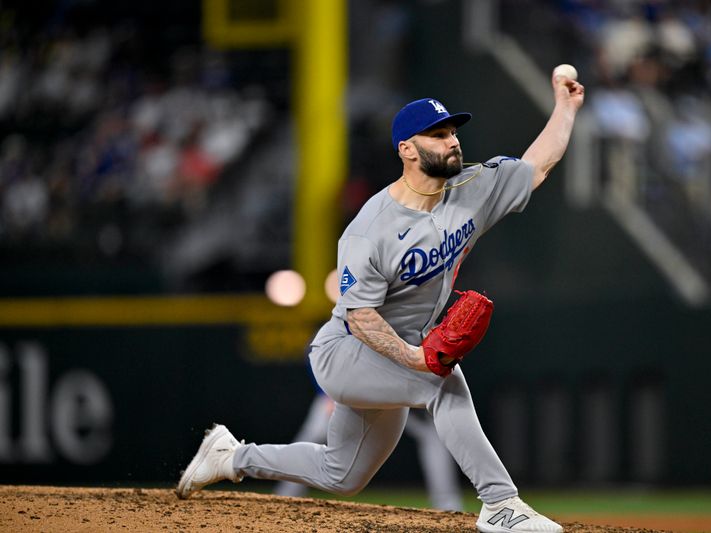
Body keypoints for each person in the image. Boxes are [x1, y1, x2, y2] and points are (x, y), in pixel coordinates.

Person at [177, 70, 585, 533]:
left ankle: (231, 456)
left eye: (453, 132)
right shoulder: (371, 227)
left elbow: (538, 165)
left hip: (396, 352)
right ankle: (500, 505)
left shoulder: (473, 190)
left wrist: (564, 108)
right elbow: (361, 316)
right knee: (440, 382)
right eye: (437, 134)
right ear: (406, 149)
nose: (452, 141)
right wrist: (416, 359)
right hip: (346, 351)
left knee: (343, 473)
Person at [274, 373, 463, 511]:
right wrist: (326, 391)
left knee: (432, 436)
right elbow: (316, 350)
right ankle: (285, 494)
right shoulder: (348, 323)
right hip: (347, 387)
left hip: (395, 389)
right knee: (314, 434)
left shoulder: (410, 328)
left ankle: (447, 504)